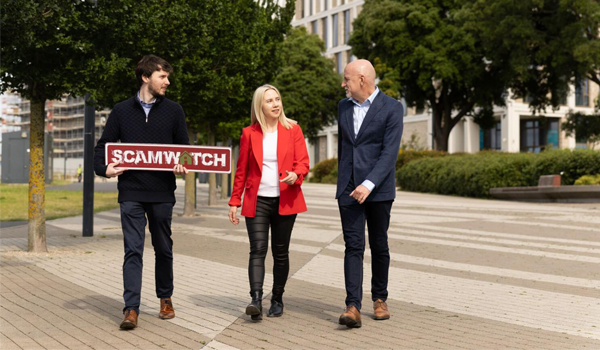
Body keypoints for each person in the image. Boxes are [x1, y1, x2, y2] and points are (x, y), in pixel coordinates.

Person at [94, 55, 189, 330]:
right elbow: (103, 147)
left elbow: (184, 149)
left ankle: (165, 298)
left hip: (162, 192)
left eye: (168, 77)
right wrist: (105, 169)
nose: (167, 82)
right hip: (131, 192)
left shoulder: (174, 111)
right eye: (163, 76)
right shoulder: (121, 110)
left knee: (163, 248)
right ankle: (131, 308)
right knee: (133, 250)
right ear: (146, 77)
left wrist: (182, 165)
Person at [228, 84, 309, 320]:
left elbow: (303, 162)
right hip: (257, 200)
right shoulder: (249, 133)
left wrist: (297, 174)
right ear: (259, 106)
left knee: (280, 252)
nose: (275, 104)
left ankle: (277, 298)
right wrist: (235, 201)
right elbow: (241, 170)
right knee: (258, 250)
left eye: (278, 99)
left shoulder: (293, 129)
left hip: (285, 200)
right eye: (269, 101)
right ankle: (255, 300)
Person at [336, 59, 404, 328]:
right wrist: (345, 182)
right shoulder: (342, 107)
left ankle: (379, 299)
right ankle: (352, 306)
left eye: (347, 79)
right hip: (349, 189)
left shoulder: (392, 108)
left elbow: (390, 153)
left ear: (362, 80)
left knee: (379, 245)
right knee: (353, 246)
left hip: (378, 190)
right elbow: (345, 147)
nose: (343, 84)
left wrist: (369, 183)